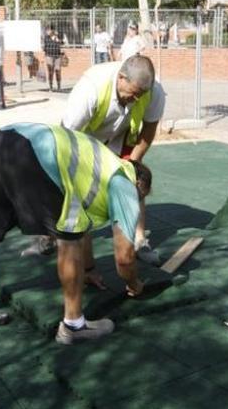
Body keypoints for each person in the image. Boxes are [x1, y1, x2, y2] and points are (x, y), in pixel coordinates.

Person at [0, 122, 152, 345]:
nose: (137, 203)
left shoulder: (100, 165)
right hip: (41, 155)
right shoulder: (125, 181)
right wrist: (134, 284)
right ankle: (73, 326)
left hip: (2, 140)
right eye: (141, 196)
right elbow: (124, 259)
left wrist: (89, 270)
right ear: (139, 182)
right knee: (69, 240)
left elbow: (84, 229)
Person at [22, 55, 166, 267]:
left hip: (121, 135)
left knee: (134, 182)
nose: (136, 100)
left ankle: (139, 240)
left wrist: (131, 166)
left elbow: (149, 131)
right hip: (84, 138)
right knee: (72, 189)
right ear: (121, 78)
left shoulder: (153, 91)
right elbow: (66, 137)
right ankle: (49, 236)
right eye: (133, 94)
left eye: (140, 96)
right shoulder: (90, 89)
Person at [42, 27, 63, 92]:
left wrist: (57, 39)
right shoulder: (46, 38)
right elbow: (46, 46)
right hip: (49, 56)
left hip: (57, 56)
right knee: (50, 72)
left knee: (58, 71)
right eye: (47, 30)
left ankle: (59, 87)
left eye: (49, 30)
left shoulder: (57, 37)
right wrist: (53, 40)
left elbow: (62, 43)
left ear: (52, 31)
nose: (48, 32)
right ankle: (51, 87)